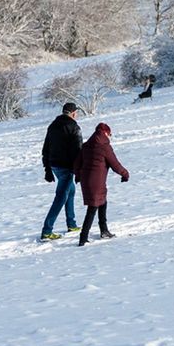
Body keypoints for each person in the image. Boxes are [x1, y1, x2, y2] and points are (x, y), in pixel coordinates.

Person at [74, 122, 130, 245]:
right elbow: (115, 164)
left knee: (102, 202)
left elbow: (77, 163)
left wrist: (78, 176)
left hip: (86, 180)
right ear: (105, 133)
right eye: (109, 134)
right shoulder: (104, 147)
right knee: (93, 207)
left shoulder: (86, 145)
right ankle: (83, 238)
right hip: (96, 181)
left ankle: (103, 230)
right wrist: (125, 174)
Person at [39, 102, 83, 241]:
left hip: (54, 166)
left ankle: (72, 224)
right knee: (61, 197)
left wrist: (47, 169)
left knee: (71, 191)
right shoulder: (73, 127)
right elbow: (78, 150)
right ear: (73, 113)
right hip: (67, 167)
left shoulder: (53, 125)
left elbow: (45, 148)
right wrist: (78, 170)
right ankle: (47, 231)